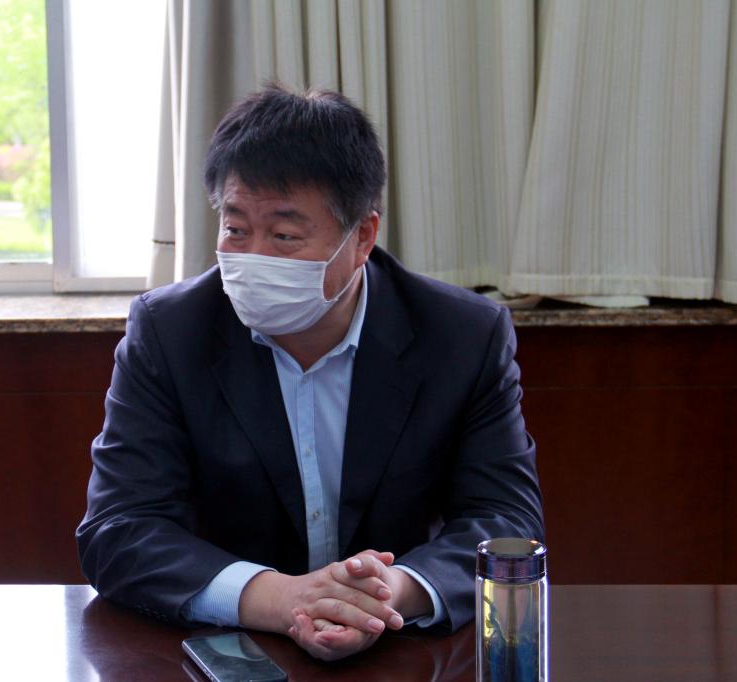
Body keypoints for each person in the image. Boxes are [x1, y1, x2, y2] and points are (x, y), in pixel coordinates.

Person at [77, 84, 544, 661]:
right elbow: (120, 528)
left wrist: (393, 591)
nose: (252, 257)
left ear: (362, 236)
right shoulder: (171, 331)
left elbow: (506, 520)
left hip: (402, 651)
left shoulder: (461, 336)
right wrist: (280, 598)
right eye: (235, 228)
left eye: (284, 236)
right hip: (229, 652)